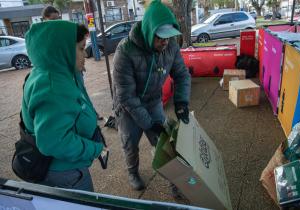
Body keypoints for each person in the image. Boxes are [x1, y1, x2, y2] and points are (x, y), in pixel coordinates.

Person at [113, 0, 191, 191]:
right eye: (160, 38)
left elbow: (181, 74)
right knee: (130, 143)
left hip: (153, 101)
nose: (165, 42)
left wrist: (181, 102)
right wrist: (148, 123)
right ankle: (132, 171)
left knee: (164, 142)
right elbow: (126, 96)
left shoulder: (170, 46)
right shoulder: (125, 51)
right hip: (127, 107)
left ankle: (175, 179)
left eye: (168, 37)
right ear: (149, 31)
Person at [21, 21, 103, 191]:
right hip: (65, 173)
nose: (84, 55)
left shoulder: (55, 71)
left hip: (65, 169)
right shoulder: (52, 87)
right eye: (81, 49)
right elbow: (53, 142)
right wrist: (94, 149)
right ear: (62, 49)